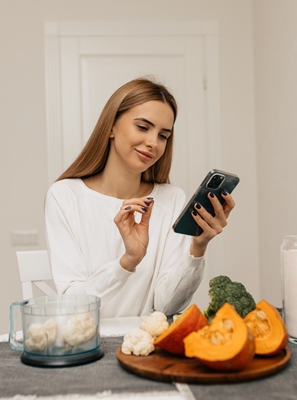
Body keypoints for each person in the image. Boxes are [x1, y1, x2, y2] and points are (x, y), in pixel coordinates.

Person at [45, 77, 235, 318]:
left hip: (148, 346)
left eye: (163, 135)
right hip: (87, 344)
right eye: (143, 127)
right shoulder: (65, 196)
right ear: (111, 127)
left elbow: (168, 307)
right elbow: (74, 304)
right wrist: (127, 262)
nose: (153, 143)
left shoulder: (172, 199)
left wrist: (198, 247)